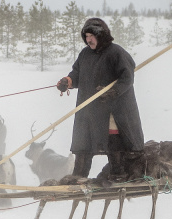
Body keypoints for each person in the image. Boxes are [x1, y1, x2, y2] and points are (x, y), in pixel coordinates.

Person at [56, 18, 144, 180]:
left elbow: (127, 78)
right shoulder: (85, 54)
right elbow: (76, 74)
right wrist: (67, 82)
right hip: (89, 108)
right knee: (84, 139)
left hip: (111, 109)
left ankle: (117, 173)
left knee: (112, 138)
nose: (88, 39)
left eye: (92, 36)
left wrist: (112, 92)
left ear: (101, 35)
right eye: (86, 36)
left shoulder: (116, 53)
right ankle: (78, 176)